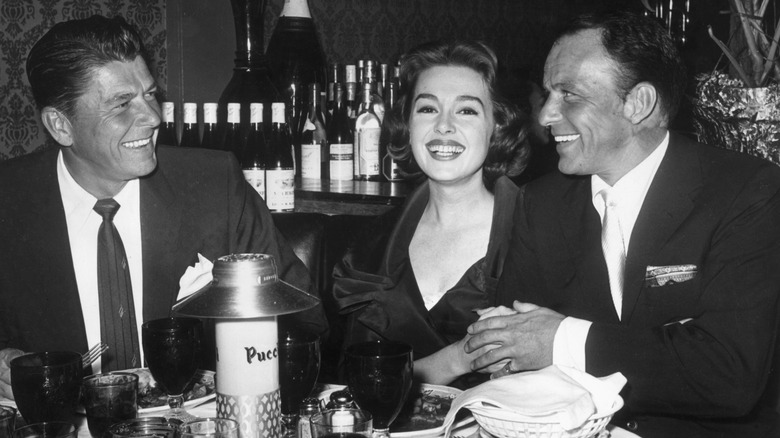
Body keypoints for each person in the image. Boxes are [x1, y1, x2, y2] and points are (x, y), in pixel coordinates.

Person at [465, 11, 780, 437]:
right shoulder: (541, 204)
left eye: (569, 94)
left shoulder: (747, 193)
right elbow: (510, 351)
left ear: (639, 104)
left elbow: (727, 375)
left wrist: (561, 339)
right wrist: (667, 346)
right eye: (548, 93)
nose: (545, 115)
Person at [0, 15, 326, 399]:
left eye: (150, 94)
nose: (153, 117)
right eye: (122, 104)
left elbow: (306, 321)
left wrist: (229, 319)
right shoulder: (9, 202)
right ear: (61, 126)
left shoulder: (212, 183)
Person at [333, 40, 529, 388]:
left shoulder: (535, 233)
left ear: (496, 126)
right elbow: (358, 381)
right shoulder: (371, 246)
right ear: (407, 124)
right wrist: (460, 356)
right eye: (427, 109)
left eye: (466, 110)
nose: (443, 125)